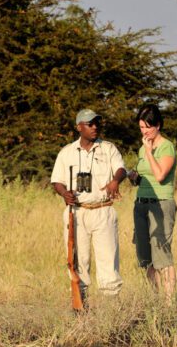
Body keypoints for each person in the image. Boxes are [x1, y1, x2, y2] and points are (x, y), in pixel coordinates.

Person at [51, 109, 128, 301]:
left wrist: (115, 181)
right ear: (79, 127)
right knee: (78, 262)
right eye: (90, 124)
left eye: (97, 123)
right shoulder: (66, 152)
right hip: (77, 212)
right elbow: (56, 180)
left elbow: (121, 169)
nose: (95, 127)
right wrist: (64, 193)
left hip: (103, 210)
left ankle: (112, 313)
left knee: (108, 261)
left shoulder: (108, 148)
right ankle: (81, 311)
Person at [127, 104, 177, 300]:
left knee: (162, 255)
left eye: (147, 127)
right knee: (145, 256)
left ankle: (169, 303)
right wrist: (134, 176)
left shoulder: (166, 146)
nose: (144, 131)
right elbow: (144, 175)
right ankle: (155, 299)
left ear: (158, 125)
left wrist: (149, 151)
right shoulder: (142, 148)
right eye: (141, 127)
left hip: (161, 204)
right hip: (141, 203)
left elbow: (159, 175)